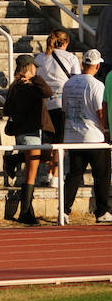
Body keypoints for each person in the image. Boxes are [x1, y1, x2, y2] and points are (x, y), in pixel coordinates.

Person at [61, 48, 111, 222]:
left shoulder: (69, 83)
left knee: (74, 175)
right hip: (94, 137)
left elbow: (65, 109)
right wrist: (106, 131)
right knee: (102, 175)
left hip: (74, 135)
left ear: (83, 64)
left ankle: (64, 210)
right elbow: (100, 112)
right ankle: (102, 211)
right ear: (97, 66)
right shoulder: (97, 85)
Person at [2, 54, 52, 224]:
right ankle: (25, 212)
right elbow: (48, 92)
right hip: (30, 131)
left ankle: (13, 159)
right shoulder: (29, 87)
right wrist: (35, 79)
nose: (36, 70)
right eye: (34, 68)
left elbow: (7, 109)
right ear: (28, 68)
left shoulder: (14, 87)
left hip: (24, 131)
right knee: (31, 172)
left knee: (42, 158)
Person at [36, 29, 79, 147]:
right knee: (60, 142)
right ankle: (55, 165)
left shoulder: (39, 58)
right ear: (66, 42)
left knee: (47, 143)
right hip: (62, 104)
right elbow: (76, 81)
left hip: (44, 105)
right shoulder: (71, 58)